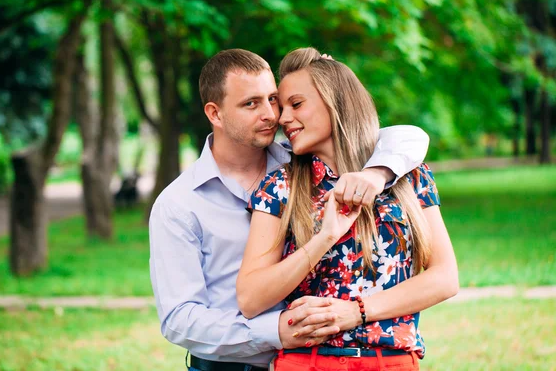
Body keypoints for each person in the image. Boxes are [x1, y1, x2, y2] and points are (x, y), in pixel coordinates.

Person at [149, 48, 431, 371]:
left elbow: (405, 138)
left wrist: (377, 173)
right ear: (215, 114)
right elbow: (179, 319)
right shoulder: (179, 205)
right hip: (229, 363)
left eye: (273, 99)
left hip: (307, 358)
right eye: (251, 104)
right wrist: (274, 332)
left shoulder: (302, 165)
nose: (272, 114)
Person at [236, 48, 459, 370]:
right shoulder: (280, 187)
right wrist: (323, 238)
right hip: (307, 361)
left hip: (391, 362)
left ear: (335, 100)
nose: (283, 118)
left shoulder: (408, 175)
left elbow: (445, 278)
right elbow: (250, 298)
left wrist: (357, 311)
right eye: (281, 108)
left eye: (296, 104)